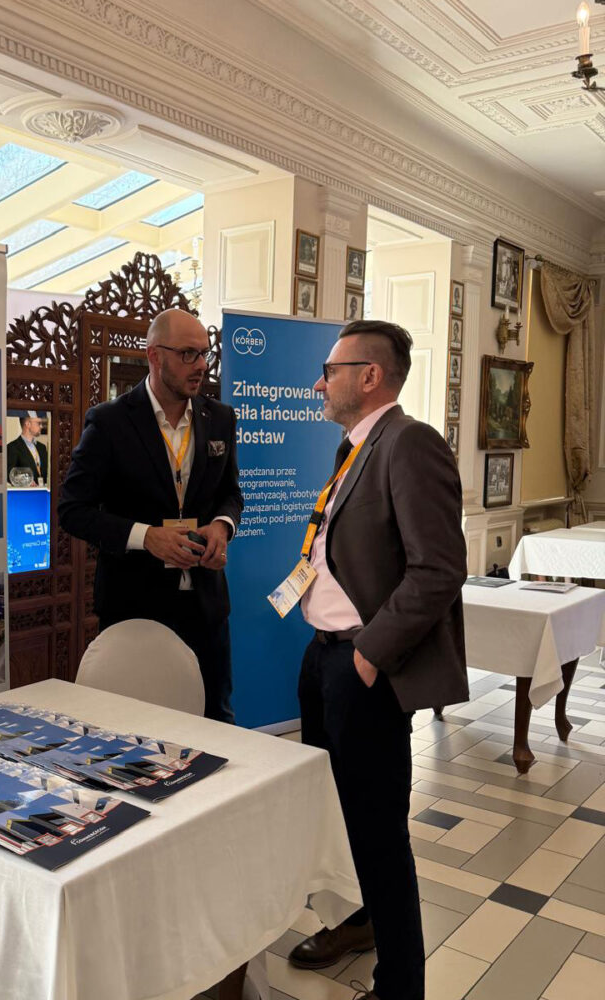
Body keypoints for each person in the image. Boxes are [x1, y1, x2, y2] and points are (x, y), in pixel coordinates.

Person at [286, 319, 467, 1000]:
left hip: (362, 667)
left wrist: (368, 655)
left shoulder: (409, 442)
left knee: (377, 834)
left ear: (369, 376)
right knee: (338, 821)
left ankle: (400, 985)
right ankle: (356, 923)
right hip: (323, 657)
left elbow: (439, 568)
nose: (319, 384)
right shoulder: (355, 446)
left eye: (330, 371)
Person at [58, 308, 243, 722]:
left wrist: (222, 526)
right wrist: (146, 537)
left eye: (205, 354)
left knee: (216, 722)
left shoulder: (220, 418)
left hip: (206, 606)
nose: (201, 365)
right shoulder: (109, 422)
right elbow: (72, 510)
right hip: (134, 606)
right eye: (189, 354)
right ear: (155, 356)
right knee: (133, 728)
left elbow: (231, 494)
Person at [6, 411, 48, 485]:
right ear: (28, 424)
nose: (41, 426)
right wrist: (26, 481)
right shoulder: (12, 447)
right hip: (25, 492)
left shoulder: (42, 447)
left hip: (44, 491)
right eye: (38, 423)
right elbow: (9, 474)